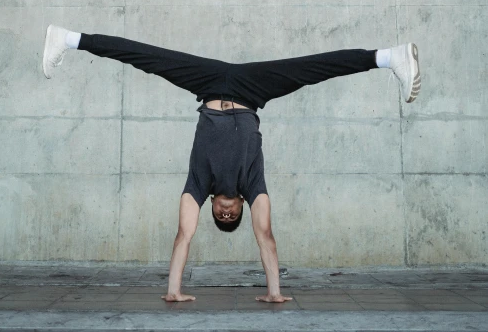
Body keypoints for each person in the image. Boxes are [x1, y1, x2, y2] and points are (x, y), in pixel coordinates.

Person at [42, 25, 421, 303]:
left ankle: (68, 38)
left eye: (220, 218)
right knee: (314, 68)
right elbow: (265, 237)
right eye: (231, 217)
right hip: (252, 89)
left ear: (214, 208)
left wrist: (173, 291)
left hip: (207, 85)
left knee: (148, 58)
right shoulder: (253, 185)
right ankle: (390, 57)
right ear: (239, 205)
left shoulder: (199, 185)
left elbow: (183, 236)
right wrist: (274, 293)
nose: (225, 214)